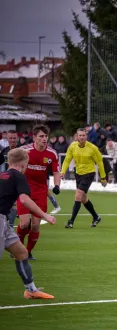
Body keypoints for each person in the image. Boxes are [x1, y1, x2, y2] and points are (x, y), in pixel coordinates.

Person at [1, 148, 57, 299]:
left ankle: (31, 290)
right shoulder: (18, 176)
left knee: (21, 253)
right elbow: (25, 200)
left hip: (4, 222)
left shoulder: (3, 175)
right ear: (23, 163)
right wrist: (45, 215)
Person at [16, 125, 61, 260]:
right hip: (24, 191)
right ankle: (17, 248)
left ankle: (27, 252)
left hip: (41, 192)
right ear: (34, 137)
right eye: (41, 136)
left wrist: (57, 185)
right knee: (24, 224)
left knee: (35, 226)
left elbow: (56, 172)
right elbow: (14, 166)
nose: (44, 139)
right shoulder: (24, 151)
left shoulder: (52, 154)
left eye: (46, 136)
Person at [61, 128, 107, 229]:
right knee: (83, 199)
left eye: (84, 135)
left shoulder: (92, 148)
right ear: (76, 136)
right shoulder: (72, 146)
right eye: (80, 135)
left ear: (86, 136)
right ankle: (96, 217)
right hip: (78, 173)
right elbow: (67, 159)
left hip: (89, 174)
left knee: (78, 196)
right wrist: (63, 171)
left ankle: (71, 221)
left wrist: (103, 178)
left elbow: (100, 163)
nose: (82, 137)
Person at [0, 131, 19, 227]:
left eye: (14, 138)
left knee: (14, 203)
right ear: (7, 139)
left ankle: (10, 225)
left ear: (17, 138)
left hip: (18, 181)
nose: (12, 140)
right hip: (5, 181)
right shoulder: (4, 151)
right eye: (10, 138)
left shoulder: (21, 150)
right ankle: (9, 224)